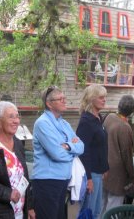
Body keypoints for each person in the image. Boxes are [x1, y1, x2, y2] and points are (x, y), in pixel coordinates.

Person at [32, 86, 84, 219]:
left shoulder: (64, 123)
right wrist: (73, 150)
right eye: (60, 99)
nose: (64, 101)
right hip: (47, 181)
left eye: (64, 98)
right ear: (49, 104)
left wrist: (67, 145)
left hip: (62, 180)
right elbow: (57, 153)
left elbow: (81, 146)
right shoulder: (42, 123)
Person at [75, 84, 109, 218]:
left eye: (105, 97)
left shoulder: (98, 118)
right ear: (91, 99)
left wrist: (105, 167)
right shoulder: (86, 121)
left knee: (97, 210)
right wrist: (88, 178)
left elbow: (100, 146)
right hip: (91, 172)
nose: (104, 100)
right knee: (89, 212)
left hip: (98, 171)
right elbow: (83, 151)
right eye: (101, 97)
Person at [102, 95, 134, 215]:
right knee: (113, 209)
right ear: (132, 112)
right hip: (117, 174)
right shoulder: (125, 127)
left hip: (104, 168)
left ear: (119, 106)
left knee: (102, 205)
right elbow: (127, 156)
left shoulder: (109, 117)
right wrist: (132, 176)